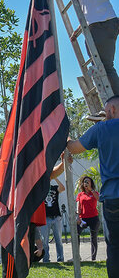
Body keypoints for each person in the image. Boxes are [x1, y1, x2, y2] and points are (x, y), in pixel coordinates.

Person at [67, 95, 119, 275]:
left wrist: (63, 135)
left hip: (113, 199)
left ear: (111, 110)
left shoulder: (101, 129)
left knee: (114, 249)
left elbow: (73, 148)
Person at [55, 0, 119, 96]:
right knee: (99, 67)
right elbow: (88, 10)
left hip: (102, 23)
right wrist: (78, 30)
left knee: (105, 67)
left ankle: (116, 105)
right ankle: (110, 103)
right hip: (99, 24)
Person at [41, 177, 66, 263]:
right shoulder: (40, 189)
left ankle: (60, 259)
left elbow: (62, 188)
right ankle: (46, 259)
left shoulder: (55, 188)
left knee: (58, 240)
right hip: (45, 218)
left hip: (56, 217)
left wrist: (55, 177)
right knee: (44, 241)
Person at [75, 175, 100, 261]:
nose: (85, 183)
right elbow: (78, 206)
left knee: (93, 238)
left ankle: (93, 258)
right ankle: (77, 256)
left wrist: (91, 190)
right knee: (76, 234)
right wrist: (77, 217)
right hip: (83, 219)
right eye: (84, 181)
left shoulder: (94, 193)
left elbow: (98, 199)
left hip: (94, 218)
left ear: (91, 183)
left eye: (87, 182)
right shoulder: (80, 194)